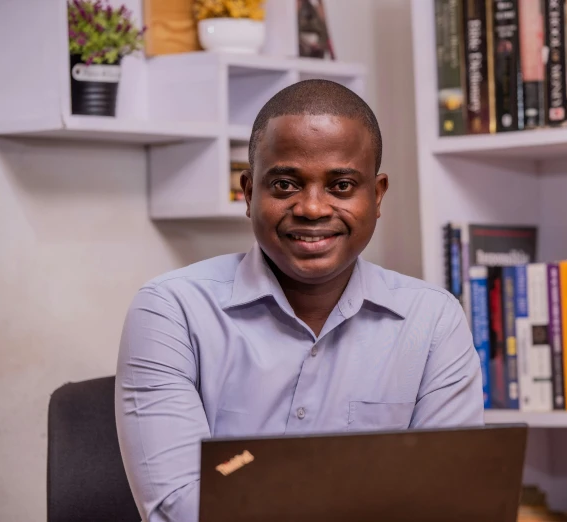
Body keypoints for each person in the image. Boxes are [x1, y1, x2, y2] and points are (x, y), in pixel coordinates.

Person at [115, 79, 484, 522]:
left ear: (378, 194)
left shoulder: (432, 320)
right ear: (249, 193)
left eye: (342, 186)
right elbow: (181, 510)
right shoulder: (171, 310)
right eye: (286, 184)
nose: (312, 208)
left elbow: (448, 503)